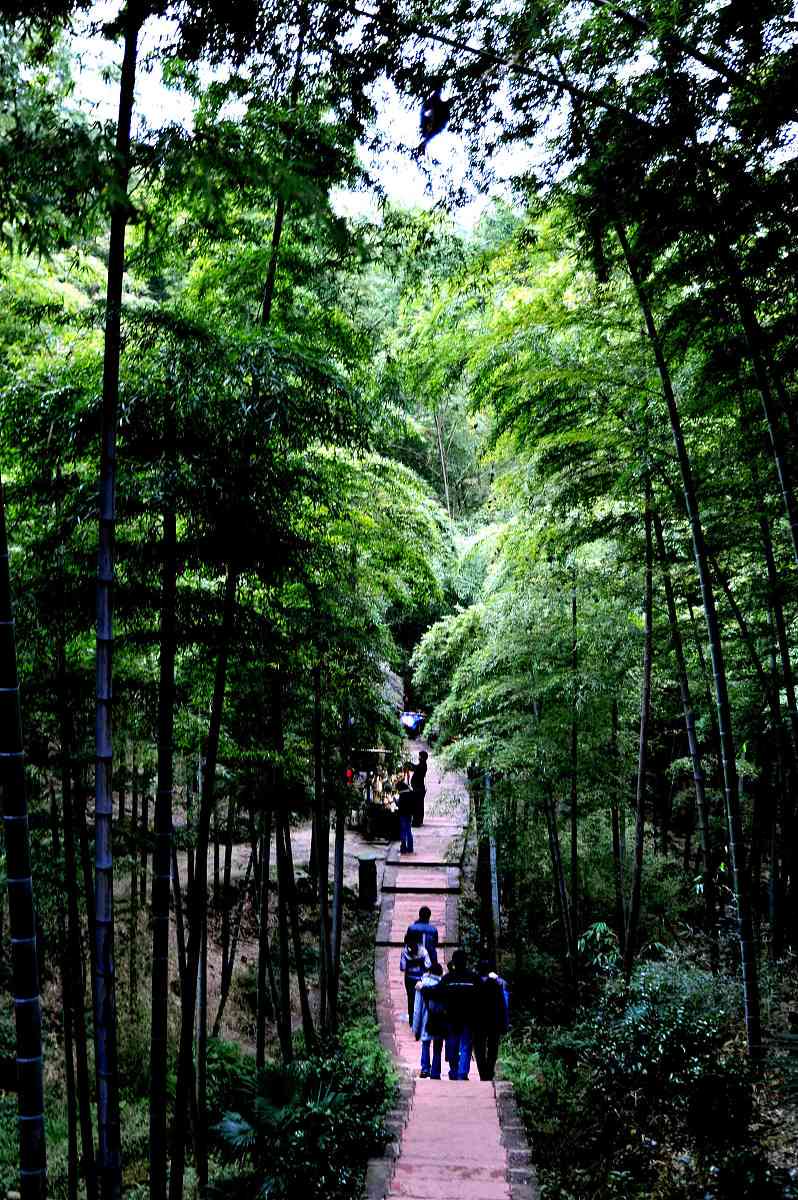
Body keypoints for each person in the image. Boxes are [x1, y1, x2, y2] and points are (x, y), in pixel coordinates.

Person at [436, 948, 480, 1080]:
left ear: (454, 962)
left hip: (451, 1017)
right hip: (468, 1017)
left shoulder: (447, 978)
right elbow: (480, 997)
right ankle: (462, 1073)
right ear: (466, 962)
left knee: (452, 1045)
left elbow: (438, 994)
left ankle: (454, 1071)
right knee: (466, 1045)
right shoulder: (473, 978)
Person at [473, 958, 510, 1081]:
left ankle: (483, 1073)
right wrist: (504, 1022)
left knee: (479, 1048)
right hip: (494, 1021)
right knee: (493, 1048)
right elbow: (502, 1005)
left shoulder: (475, 983)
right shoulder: (497, 984)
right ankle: (489, 1072)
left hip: (479, 1021)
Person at [413, 961, 446, 1078]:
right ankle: (436, 1072)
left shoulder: (421, 984)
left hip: (426, 1019)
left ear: (429, 972)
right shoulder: (443, 984)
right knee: (438, 1045)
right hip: (439, 1019)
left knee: (425, 1043)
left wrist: (415, 1029)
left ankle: (425, 1068)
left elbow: (417, 1009)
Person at [400, 933, 430, 1023]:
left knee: (411, 998)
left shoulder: (405, 952)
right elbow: (428, 965)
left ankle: (412, 1019)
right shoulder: (424, 951)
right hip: (421, 979)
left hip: (409, 978)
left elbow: (402, 967)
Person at [396, 778, 415, 853]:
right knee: (409, 831)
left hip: (403, 814)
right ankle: (410, 848)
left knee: (403, 831)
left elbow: (399, 804)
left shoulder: (402, 795)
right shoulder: (410, 793)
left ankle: (403, 847)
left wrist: (396, 801)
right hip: (409, 814)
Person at [410, 750, 428, 827]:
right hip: (418, 788)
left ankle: (417, 821)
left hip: (419, 788)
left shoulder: (423, 766)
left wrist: (410, 765)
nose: (419, 758)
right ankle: (418, 820)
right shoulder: (421, 765)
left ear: (423, 757)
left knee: (417, 805)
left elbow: (416, 768)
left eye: (420, 756)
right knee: (419, 805)